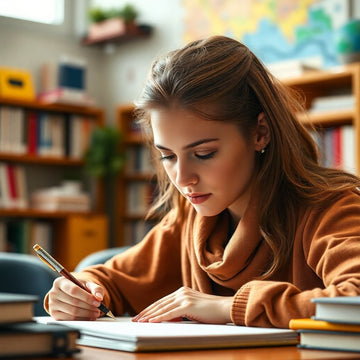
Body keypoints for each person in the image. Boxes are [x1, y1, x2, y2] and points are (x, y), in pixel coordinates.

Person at [44, 35, 360, 328]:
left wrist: (229, 307)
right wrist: (80, 293)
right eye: (167, 156)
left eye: (204, 153)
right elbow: (108, 279)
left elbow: (355, 299)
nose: (183, 179)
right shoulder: (187, 220)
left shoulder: (331, 208)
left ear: (259, 133)